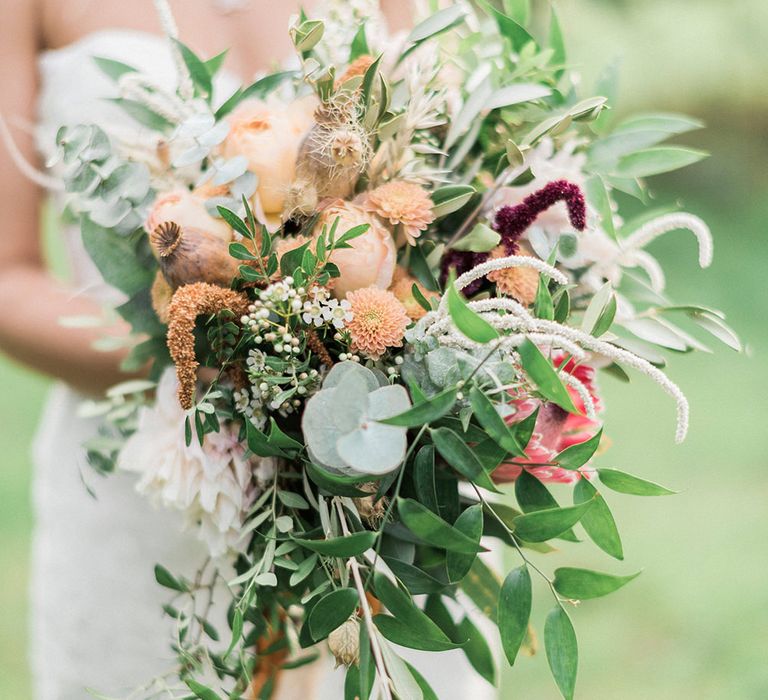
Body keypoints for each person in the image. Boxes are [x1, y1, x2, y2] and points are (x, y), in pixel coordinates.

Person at [0, 1, 497, 697]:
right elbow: (5, 276)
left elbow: (470, 183)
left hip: (391, 494)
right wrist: (212, 353)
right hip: (154, 489)